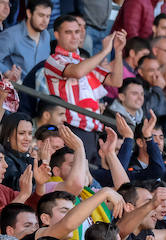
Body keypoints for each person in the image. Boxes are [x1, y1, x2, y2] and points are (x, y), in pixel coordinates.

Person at [45, 15, 126, 163]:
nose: (74, 36)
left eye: (77, 31)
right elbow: (77, 72)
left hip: (92, 130)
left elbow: (116, 81)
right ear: (56, 34)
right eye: (68, 32)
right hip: (70, 127)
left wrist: (118, 51)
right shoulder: (54, 59)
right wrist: (105, 51)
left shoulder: (84, 62)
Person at [0, 0, 51, 75]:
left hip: (41, 85)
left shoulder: (46, 35)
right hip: (18, 85)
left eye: (48, 16)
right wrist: (7, 72)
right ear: (29, 13)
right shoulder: (11, 35)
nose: (45, 21)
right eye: (41, 15)